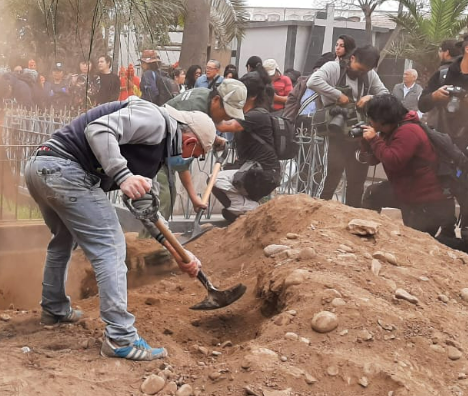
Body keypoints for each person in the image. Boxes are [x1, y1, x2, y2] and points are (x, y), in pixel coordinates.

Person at [25, 96, 206, 361]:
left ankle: (54, 309)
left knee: (63, 240)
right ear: (190, 141)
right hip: (64, 169)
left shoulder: (152, 155)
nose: (189, 161)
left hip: (41, 167)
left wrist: (180, 254)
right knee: (110, 245)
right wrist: (122, 175)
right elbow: (98, 129)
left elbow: (147, 211)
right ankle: (120, 338)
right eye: (196, 156)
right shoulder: (156, 121)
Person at [418, 33, 468, 244]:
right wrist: (435, 96)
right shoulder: (443, 76)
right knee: (446, 187)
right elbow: (423, 104)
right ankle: (450, 232)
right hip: (446, 144)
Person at [358, 94, 457, 238]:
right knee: (374, 193)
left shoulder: (408, 131)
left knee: (419, 242)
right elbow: (375, 159)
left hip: (425, 200)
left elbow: (393, 161)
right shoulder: (392, 128)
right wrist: (365, 143)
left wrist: (374, 140)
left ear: (381, 119)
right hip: (407, 190)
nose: (370, 121)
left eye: (371, 117)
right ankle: (367, 233)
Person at [307, 45, 389, 206]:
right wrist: (338, 96)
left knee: (357, 181)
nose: (361, 73)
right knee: (330, 177)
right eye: (359, 68)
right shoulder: (333, 68)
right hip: (334, 132)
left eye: (365, 71)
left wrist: (371, 97)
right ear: (352, 58)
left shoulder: (370, 75)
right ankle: (317, 213)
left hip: (358, 134)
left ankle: (352, 217)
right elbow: (313, 81)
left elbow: (386, 94)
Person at [165, 80, 249, 211]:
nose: (227, 118)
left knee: (166, 196)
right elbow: (181, 163)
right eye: (227, 113)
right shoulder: (194, 109)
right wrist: (194, 198)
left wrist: (213, 139)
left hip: (162, 149)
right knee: (163, 197)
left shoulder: (205, 96)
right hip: (152, 149)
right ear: (216, 100)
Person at [213, 73, 280, 221]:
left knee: (217, 180)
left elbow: (225, 126)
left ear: (253, 95)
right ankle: (242, 210)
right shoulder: (248, 114)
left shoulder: (256, 115)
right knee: (218, 180)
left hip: (263, 174)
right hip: (250, 171)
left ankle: (252, 210)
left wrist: (205, 115)